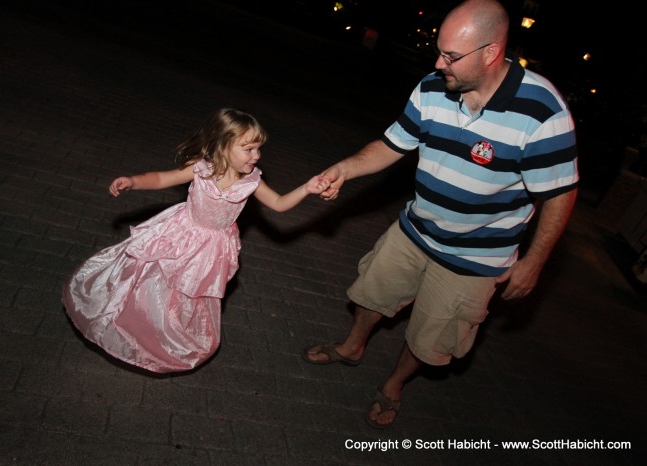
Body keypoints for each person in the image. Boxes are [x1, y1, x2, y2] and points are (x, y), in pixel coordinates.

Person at [302, 0, 579, 429]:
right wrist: (345, 168)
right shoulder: (433, 87)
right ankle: (352, 346)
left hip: (475, 260)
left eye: (451, 55)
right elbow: (393, 144)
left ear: (490, 52)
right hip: (415, 229)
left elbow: (561, 193)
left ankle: (393, 385)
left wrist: (535, 262)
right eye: (440, 50)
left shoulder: (543, 112)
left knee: (432, 336)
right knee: (371, 293)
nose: (438, 62)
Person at [63, 108, 328, 373]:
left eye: (259, 149)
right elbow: (162, 178)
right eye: (248, 149)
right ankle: (133, 318)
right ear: (223, 146)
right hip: (181, 231)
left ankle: (168, 336)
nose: (256, 156)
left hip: (212, 248)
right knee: (151, 277)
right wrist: (133, 181)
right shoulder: (202, 168)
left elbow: (279, 204)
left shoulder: (252, 181)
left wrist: (306, 189)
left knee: (188, 294)